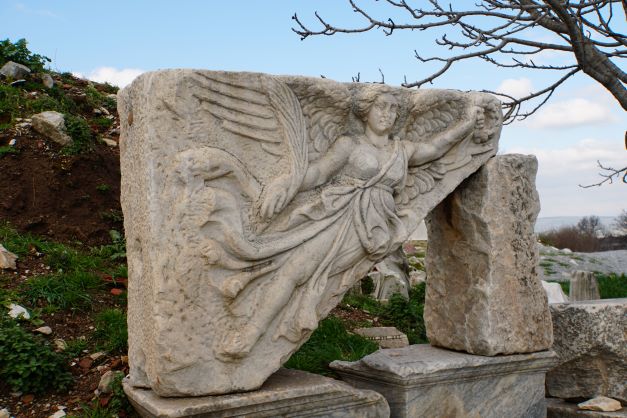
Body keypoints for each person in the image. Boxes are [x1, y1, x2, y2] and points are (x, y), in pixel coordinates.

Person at [216, 85, 476, 359]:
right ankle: (250, 334)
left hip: (374, 228)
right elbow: (318, 174)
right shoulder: (349, 144)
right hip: (338, 214)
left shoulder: (402, 149)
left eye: (393, 109)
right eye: (381, 106)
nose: (387, 114)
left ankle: (270, 332)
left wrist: (467, 125)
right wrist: (287, 183)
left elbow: (436, 147)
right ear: (366, 111)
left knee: (315, 276)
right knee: (295, 270)